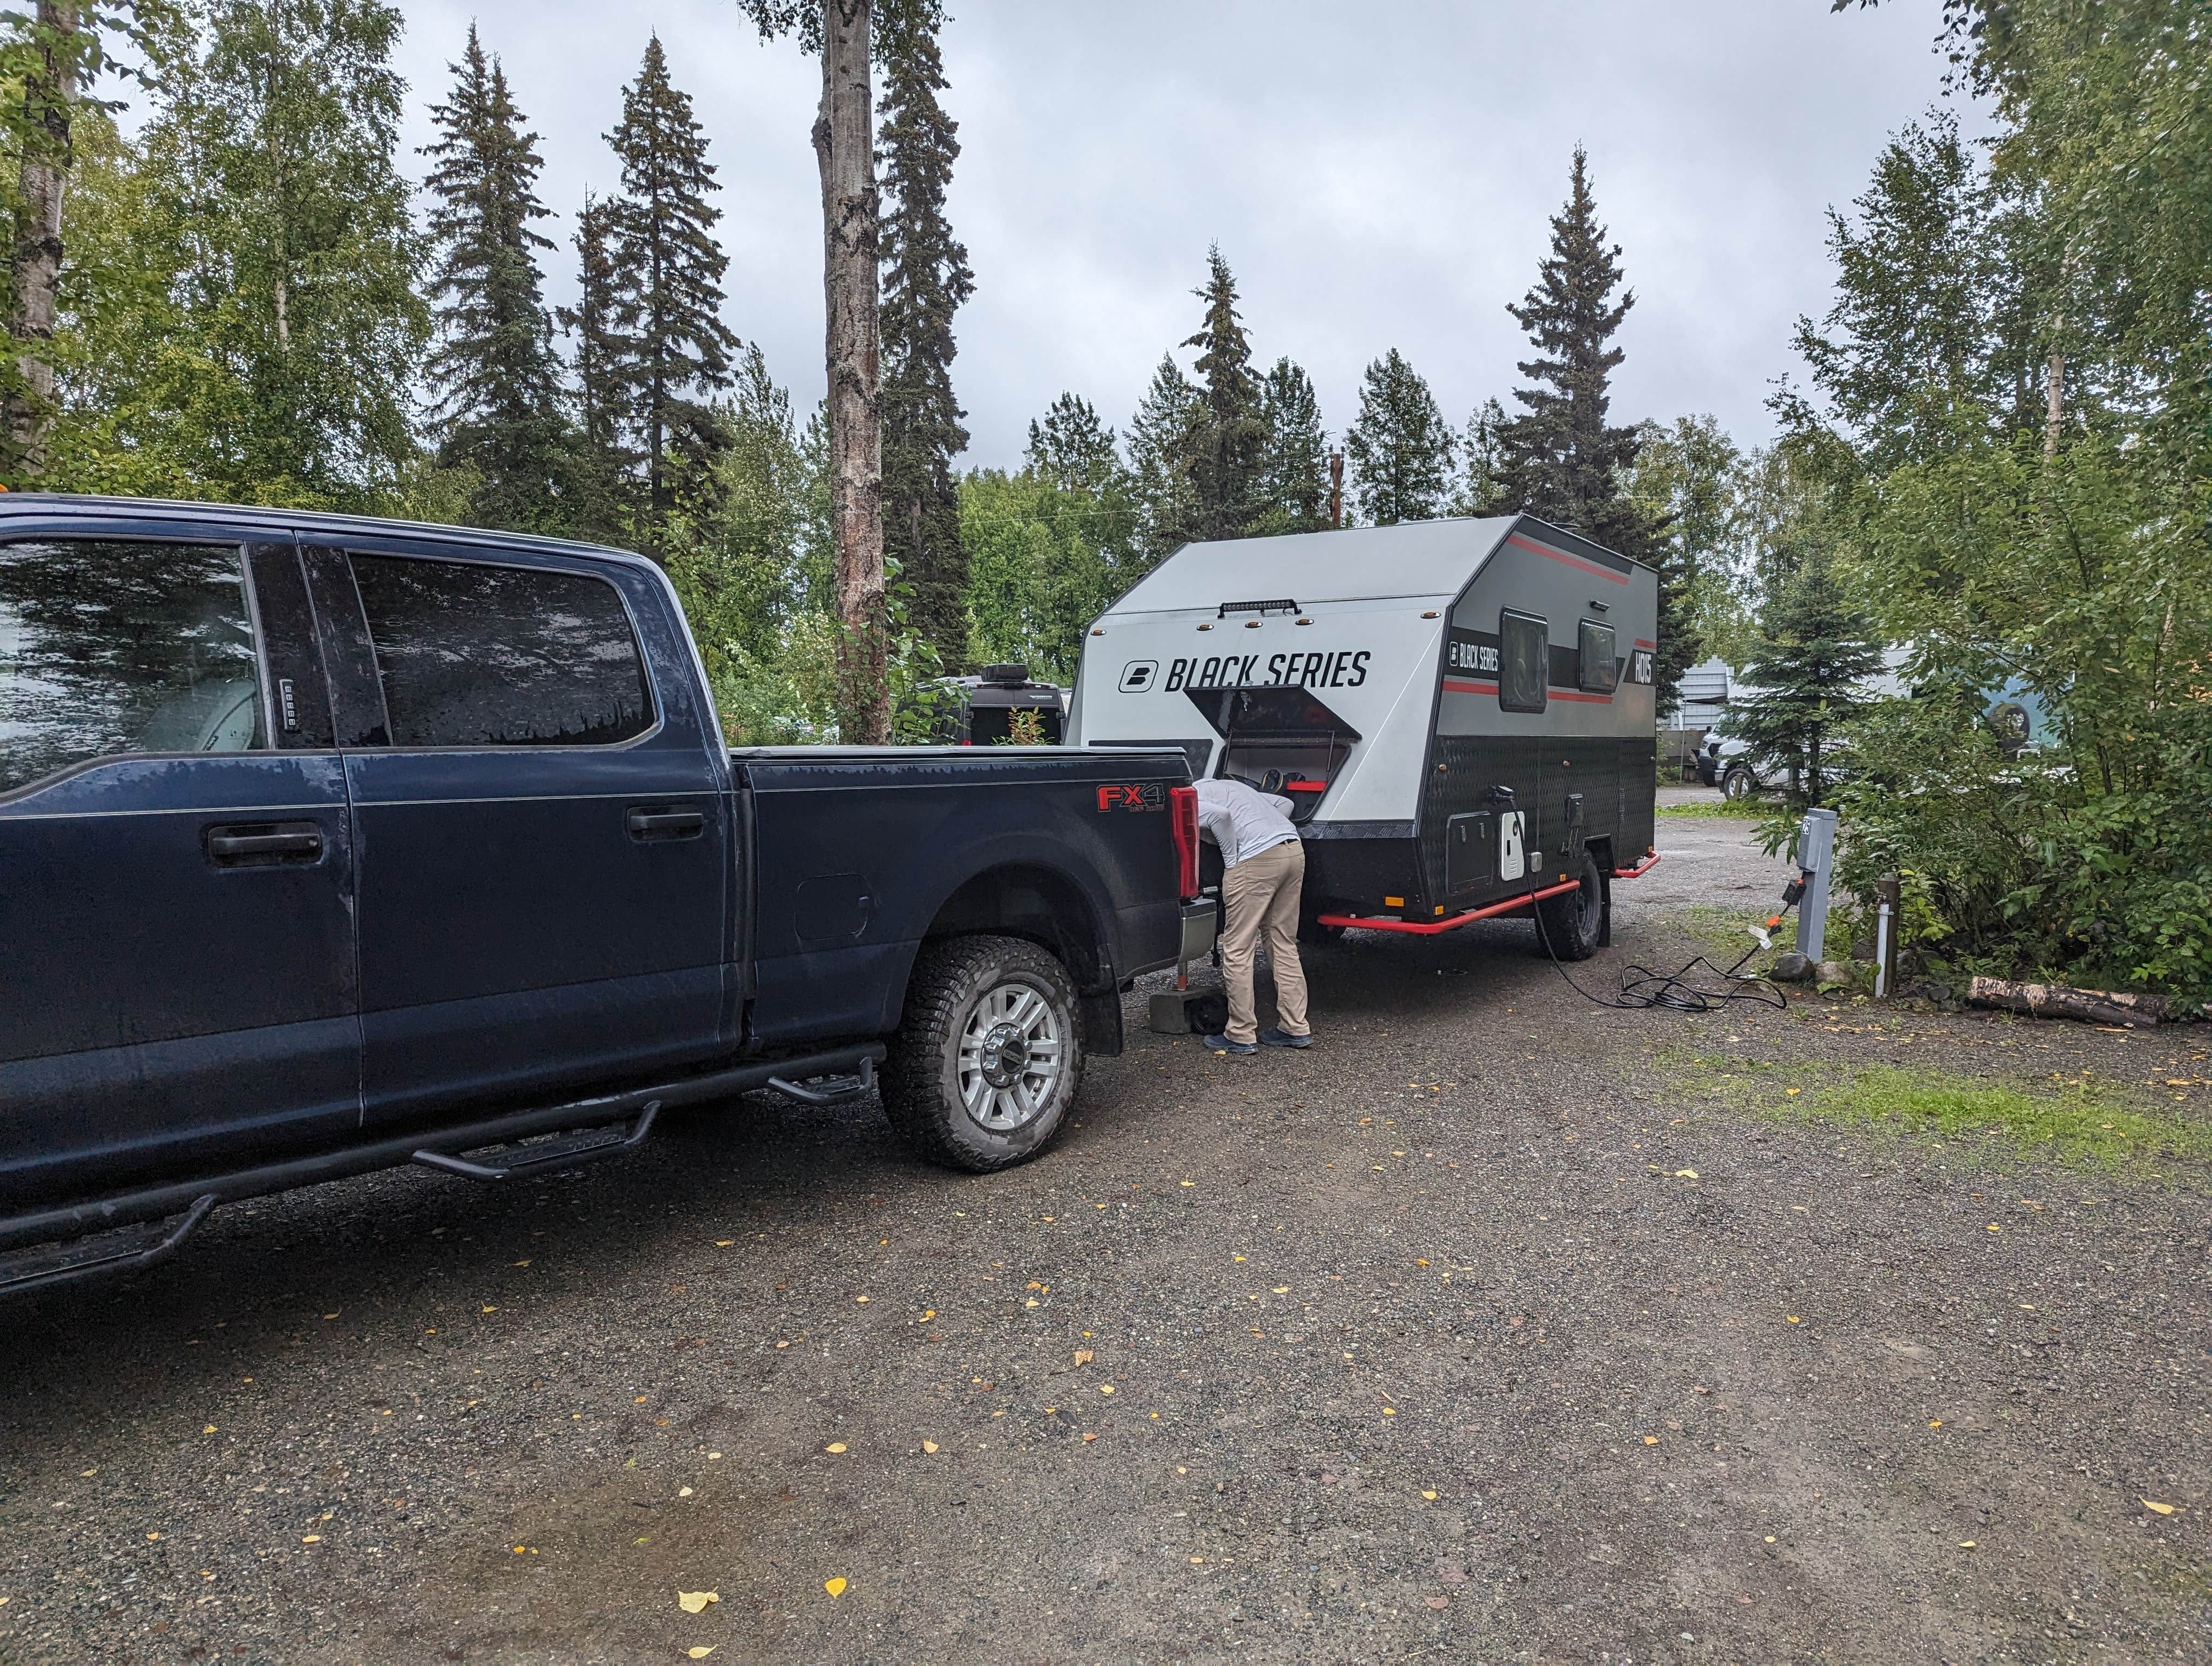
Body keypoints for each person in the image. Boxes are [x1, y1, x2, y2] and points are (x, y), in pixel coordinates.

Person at [1192, 776, 1313, 1055]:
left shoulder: (1189, 798)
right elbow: (1285, 803)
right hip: (1292, 850)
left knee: (1237, 947)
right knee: (1283, 942)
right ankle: (1295, 1028)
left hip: (1255, 861)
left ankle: (1241, 1033)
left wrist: (1233, 860)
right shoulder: (1234, 788)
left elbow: (1220, 818)